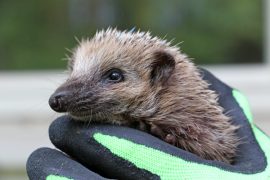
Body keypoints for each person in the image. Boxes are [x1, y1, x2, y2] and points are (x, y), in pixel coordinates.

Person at [26, 69, 270, 180]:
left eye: (113, 76)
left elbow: (219, 150)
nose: (63, 97)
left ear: (159, 73)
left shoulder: (191, 123)